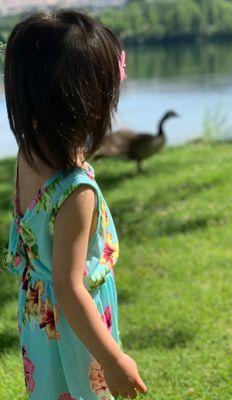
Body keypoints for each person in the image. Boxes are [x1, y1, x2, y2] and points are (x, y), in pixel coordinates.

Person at [2, 9, 148, 400]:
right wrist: (113, 358)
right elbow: (69, 288)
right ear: (87, 101)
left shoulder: (28, 153)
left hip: (40, 319)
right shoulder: (76, 192)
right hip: (73, 325)